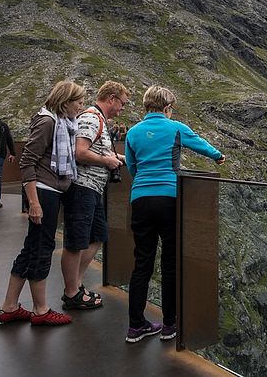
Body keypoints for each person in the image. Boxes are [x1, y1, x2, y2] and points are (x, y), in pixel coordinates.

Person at [123, 85, 225, 343]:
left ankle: (136, 326)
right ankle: (170, 325)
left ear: (146, 106)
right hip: (170, 198)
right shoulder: (175, 128)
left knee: (142, 263)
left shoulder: (133, 133)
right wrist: (218, 156)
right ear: (167, 107)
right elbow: (200, 144)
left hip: (141, 200)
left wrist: (144, 185)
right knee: (170, 262)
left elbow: (132, 166)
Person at [0, 80, 86, 326]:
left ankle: (10, 307)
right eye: (78, 101)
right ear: (65, 102)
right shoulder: (48, 122)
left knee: (31, 247)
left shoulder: (63, 122)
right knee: (42, 248)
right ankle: (40, 309)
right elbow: (27, 162)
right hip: (44, 193)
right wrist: (33, 203)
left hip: (50, 191)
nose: (81, 105)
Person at [60, 81, 129, 310]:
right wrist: (106, 161)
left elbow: (96, 149)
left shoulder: (98, 119)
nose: (122, 109)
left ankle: (76, 285)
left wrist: (116, 158)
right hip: (82, 187)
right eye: (122, 103)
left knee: (97, 235)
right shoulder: (91, 118)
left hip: (93, 188)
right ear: (111, 98)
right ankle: (71, 293)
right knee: (76, 241)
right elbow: (80, 152)